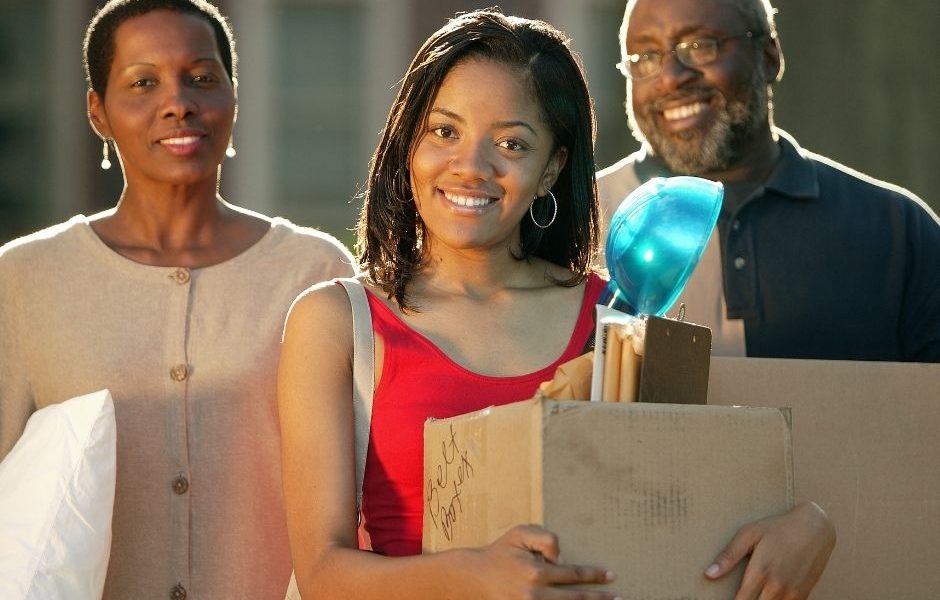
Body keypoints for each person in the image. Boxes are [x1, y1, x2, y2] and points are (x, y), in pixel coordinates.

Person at [278, 9, 834, 600]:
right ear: (408, 141)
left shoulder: (618, 322)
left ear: (551, 169)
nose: (471, 166)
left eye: (511, 143)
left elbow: (683, 508)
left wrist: (811, 524)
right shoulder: (337, 321)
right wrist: (475, 576)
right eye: (444, 131)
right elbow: (322, 574)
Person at [0, 1, 354, 597]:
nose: (178, 102)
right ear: (98, 113)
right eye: (143, 82)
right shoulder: (24, 280)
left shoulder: (315, 272)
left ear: (233, 98)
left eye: (202, 77)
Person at [598, 0, 940, 361]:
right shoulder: (578, 223)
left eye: (700, 46)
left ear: (769, 56)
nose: (670, 77)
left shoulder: (898, 233)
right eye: (645, 57)